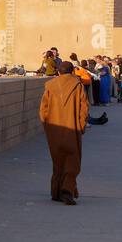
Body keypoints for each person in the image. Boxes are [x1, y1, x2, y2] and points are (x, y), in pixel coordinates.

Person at [38, 61, 90, 205]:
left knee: (58, 161)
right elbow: (84, 108)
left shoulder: (50, 86)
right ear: (72, 71)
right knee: (72, 162)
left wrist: (48, 127)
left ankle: (56, 191)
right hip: (72, 130)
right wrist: (80, 126)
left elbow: (43, 110)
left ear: (59, 72)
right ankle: (67, 191)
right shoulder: (77, 85)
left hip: (54, 131)